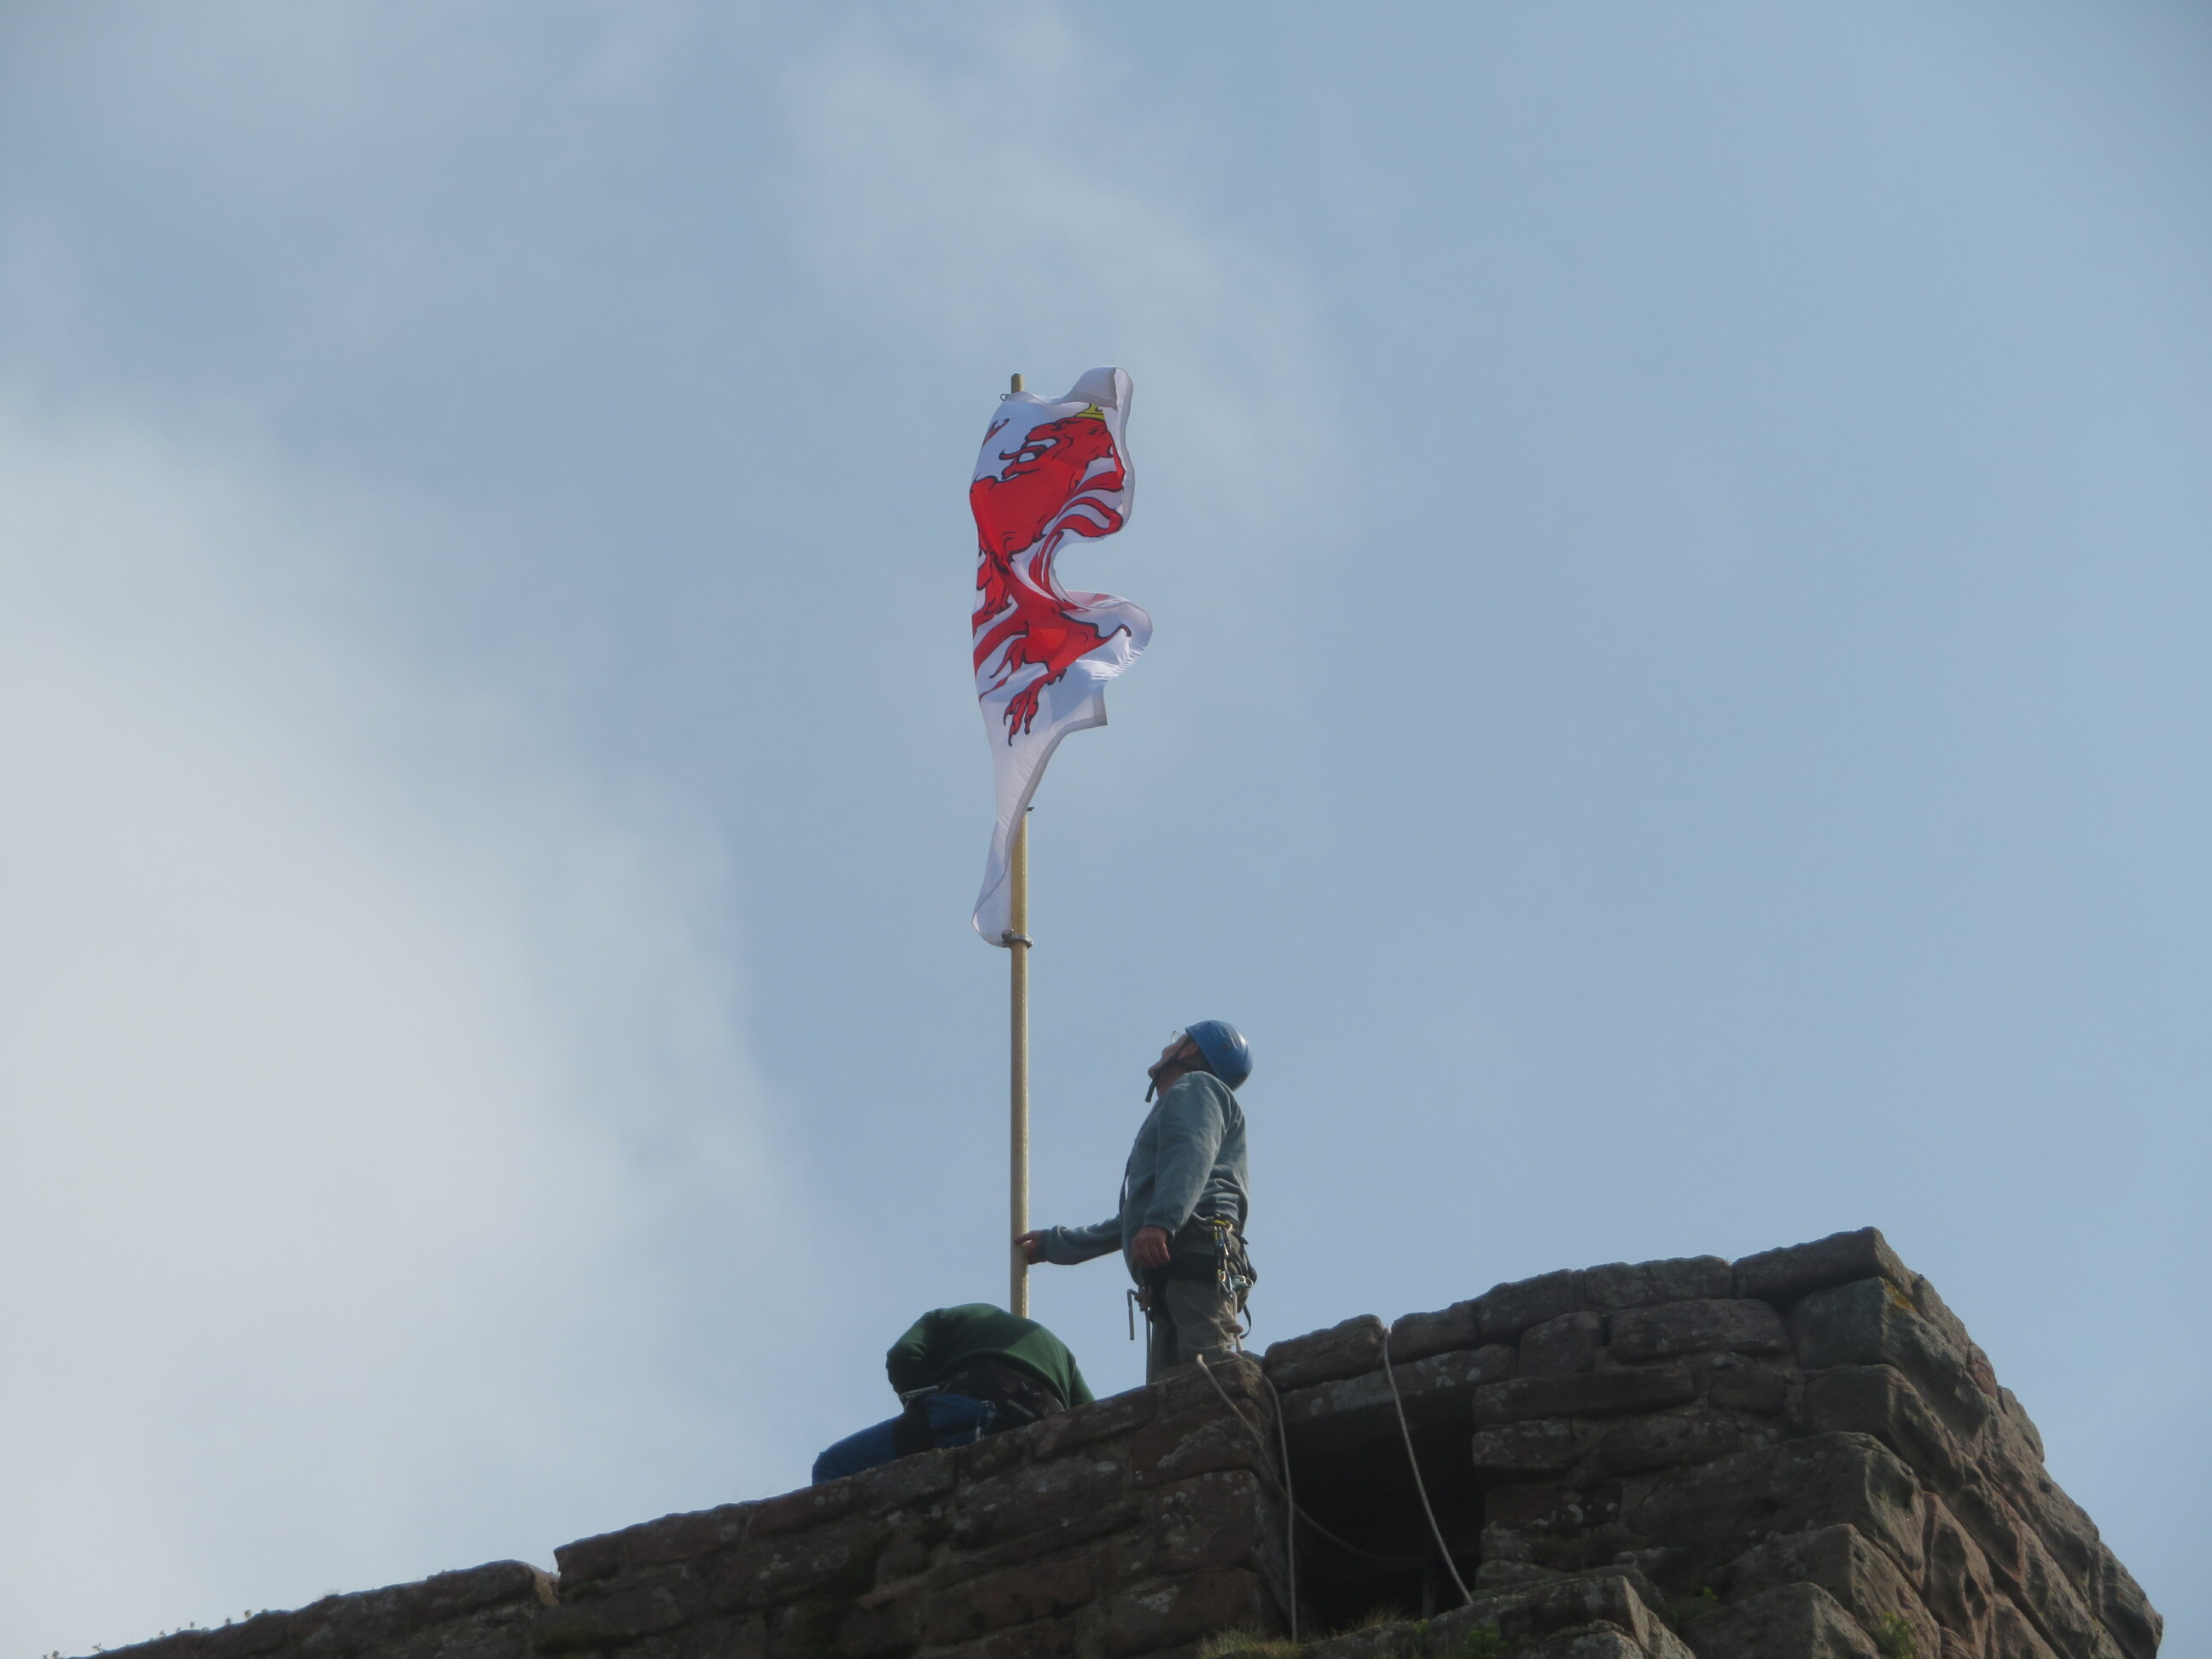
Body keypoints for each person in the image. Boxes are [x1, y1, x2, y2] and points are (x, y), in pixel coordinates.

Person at [1016, 1022, 1254, 1382]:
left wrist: (1161, 1222)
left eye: (1178, 1040)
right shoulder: (1187, 1100)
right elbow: (1134, 1218)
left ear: (1191, 1049)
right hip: (1175, 1261)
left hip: (1193, 1247)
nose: (1168, 1047)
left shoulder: (1197, 1087)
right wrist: (1057, 1244)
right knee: (1172, 1392)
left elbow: (1191, 1154)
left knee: (1211, 1372)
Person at [810, 1303, 1094, 1484]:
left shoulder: (942, 1319)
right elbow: (1089, 1415)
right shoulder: (1062, 1352)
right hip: (1041, 1431)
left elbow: (904, 1354)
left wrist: (919, 1407)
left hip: (968, 1413)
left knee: (832, 1467)